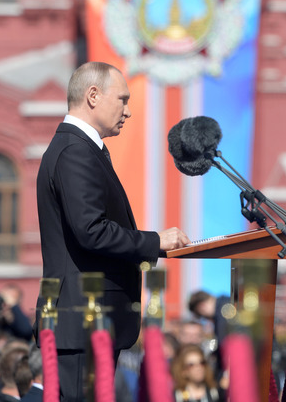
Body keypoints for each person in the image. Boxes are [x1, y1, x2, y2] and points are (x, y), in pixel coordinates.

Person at [34, 61, 191, 402]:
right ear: (93, 96)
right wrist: (154, 241)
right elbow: (90, 230)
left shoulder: (83, 150)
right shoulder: (76, 151)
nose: (129, 111)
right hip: (82, 324)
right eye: (122, 99)